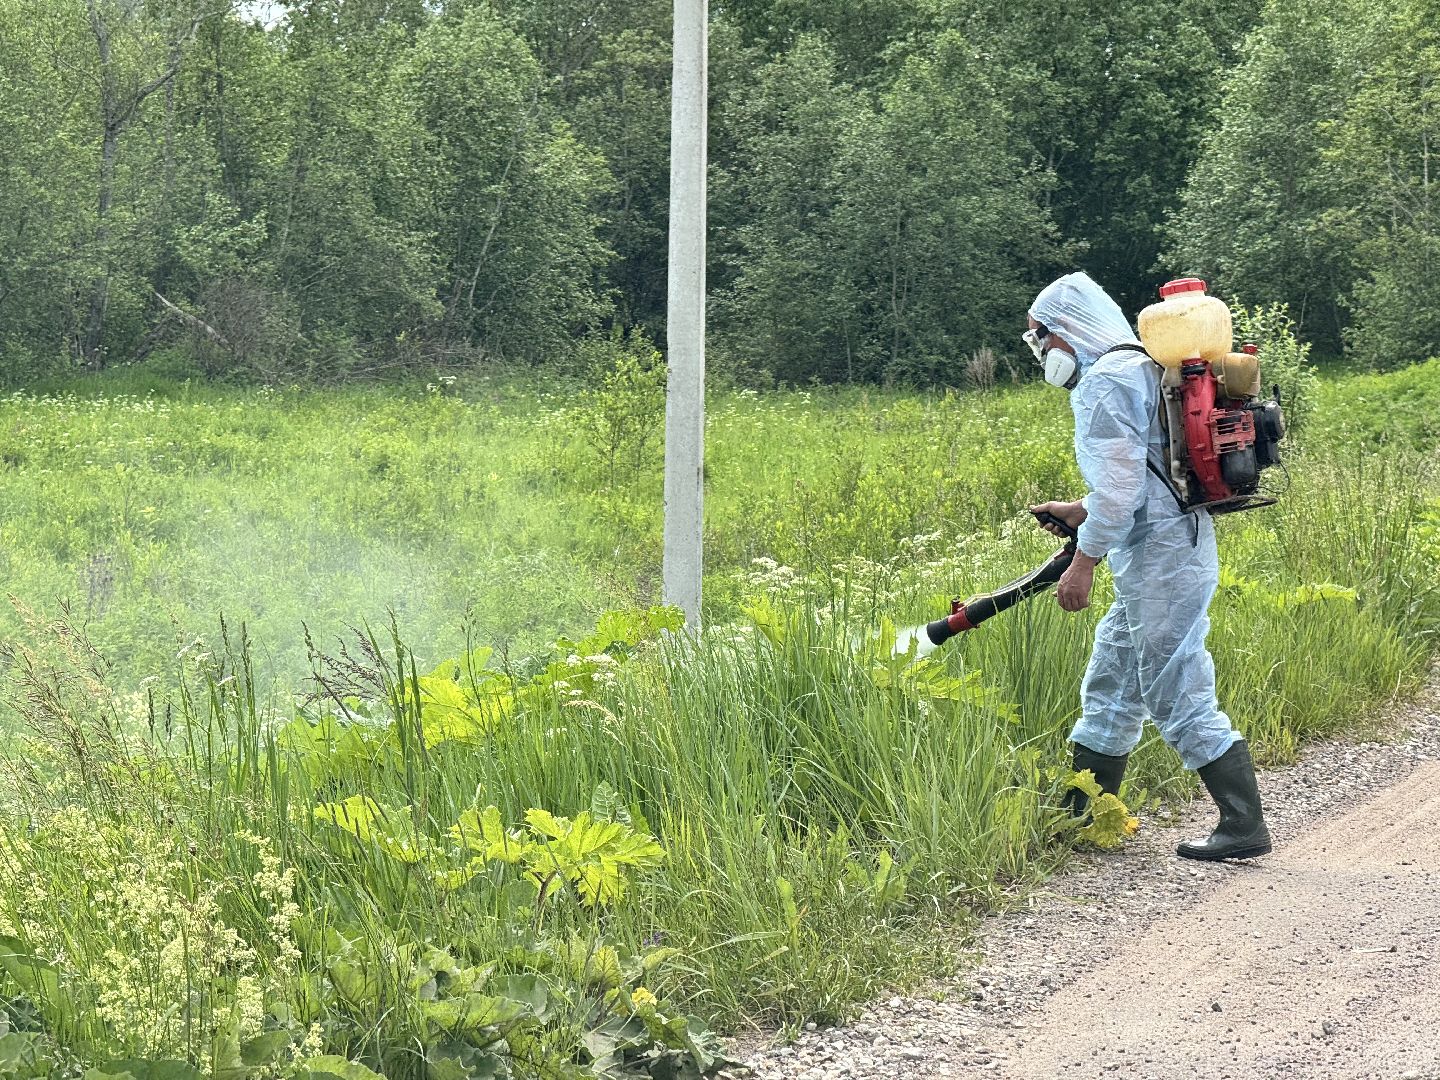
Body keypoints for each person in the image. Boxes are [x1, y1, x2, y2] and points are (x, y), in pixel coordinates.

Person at [1025, 271, 1271, 862]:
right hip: (1166, 548)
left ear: (1067, 331)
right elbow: (1147, 479)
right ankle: (1083, 817)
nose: (1042, 355)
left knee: (1175, 681)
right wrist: (1078, 509)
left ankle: (1243, 825)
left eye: (1041, 340)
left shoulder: (1103, 384)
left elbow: (1119, 496)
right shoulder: (1138, 366)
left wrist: (1082, 562)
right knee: (1113, 679)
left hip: (1162, 558)